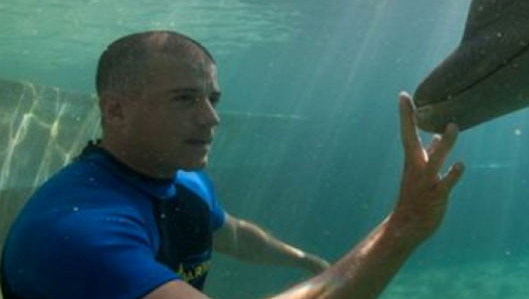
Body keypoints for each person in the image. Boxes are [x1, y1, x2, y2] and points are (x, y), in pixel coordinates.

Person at [0, 31, 465, 299]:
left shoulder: (181, 180)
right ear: (115, 109)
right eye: (185, 99)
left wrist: (301, 259)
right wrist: (402, 228)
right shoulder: (79, 232)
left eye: (212, 98)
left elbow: (233, 233)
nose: (212, 117)